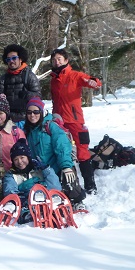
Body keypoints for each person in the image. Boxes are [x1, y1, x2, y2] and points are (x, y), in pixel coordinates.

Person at [50, 48, 102, 194]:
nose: (56, 61)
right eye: (54, 59)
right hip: (58, 121)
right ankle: (65, 184)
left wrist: (94, 83)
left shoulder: (74, 75)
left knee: (82, 151)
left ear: (66, 60)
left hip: (75, 119)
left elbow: (93, 81)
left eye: (59, 59)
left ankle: (90, 185)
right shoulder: (53, 80)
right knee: (60, 150)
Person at [23, 97, 86, 208]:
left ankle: (76, 201)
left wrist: (66, 166)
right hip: (41, 170)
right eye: (29, 112)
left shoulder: (50, 126)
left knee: (68, 177)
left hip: (57, 167)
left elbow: (62, 146)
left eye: (36, 112)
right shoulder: (28, 130)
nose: (32, 115)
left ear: (41, 112)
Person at [3, 138, 62, 224]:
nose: (19, 162)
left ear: (28, 157)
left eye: (22, 157)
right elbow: (10, 190)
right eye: (16, 159)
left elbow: (56, 187)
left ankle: (54, 214)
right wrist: (21, 198)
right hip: (26, 205)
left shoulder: (40, 170)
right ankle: (29, 216)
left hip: (45, 200)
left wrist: (47, 170)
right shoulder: (11, 175)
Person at [0, 44, 41, 123]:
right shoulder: (4, 78)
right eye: (8, 59)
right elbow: (0, 96)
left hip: (25, 119)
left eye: (14, 58)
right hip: (8, 119)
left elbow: (38, 95)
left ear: (21, 59)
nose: (11, 61)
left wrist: (27, 94)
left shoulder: (29, 76)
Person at [0, 95, 26, 170]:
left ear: (7, 114)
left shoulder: (16, 132)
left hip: (12, 172)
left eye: (1, 113)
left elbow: (25, 154)